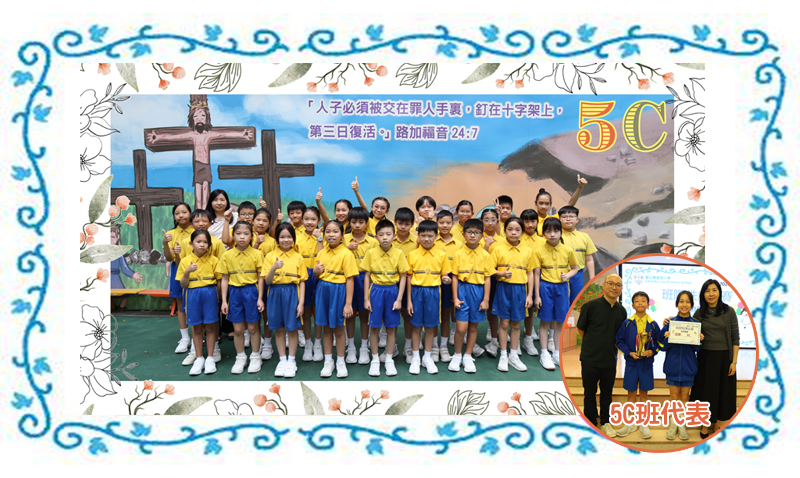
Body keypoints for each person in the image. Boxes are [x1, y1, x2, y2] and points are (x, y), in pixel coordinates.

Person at [686, 279, 739, 438]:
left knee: (722, 392)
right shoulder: (699, 313)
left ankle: (717, 422)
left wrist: (734, 361)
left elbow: (735, 337)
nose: (711, 294)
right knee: (706, 392)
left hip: (725, 358)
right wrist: (670, 323)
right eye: (707, 291)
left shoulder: (729, 311)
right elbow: (688, 329)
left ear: (719, 292)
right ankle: (705, 423)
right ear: (703, 294)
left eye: (714, 290)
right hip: (705, 358)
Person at [576, 274, 628, 437]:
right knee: (589, 393)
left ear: (621, 288)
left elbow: (621, 335)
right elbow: (581, 329)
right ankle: (591, 422)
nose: (614, 287)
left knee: (607, 394)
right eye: (611, 283)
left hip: (610, 359)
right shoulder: (590, 306)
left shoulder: (622, 311)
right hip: (590, 358)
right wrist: (592, 344)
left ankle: (605, 422)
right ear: (604, 285)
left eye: (618, 285)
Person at [176, 209, 225, 367]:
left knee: (211, 325)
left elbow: (220, 279)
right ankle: (198, 356)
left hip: (210, 293)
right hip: (192, 294)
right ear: (192, 244)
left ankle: (211, 355)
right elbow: (182, 284)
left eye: (205, 242)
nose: (202, 245)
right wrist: (187, 272)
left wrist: (220, 297)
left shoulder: (214, 259)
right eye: (198, 242)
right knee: (196, 326)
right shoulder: (186, 261)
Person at [362, 219, 409, 377]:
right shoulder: (370, 253)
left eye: (388, 234)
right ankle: (375, 360)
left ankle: (389, 359)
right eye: (381, 234)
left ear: (394, 236)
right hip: (375, 291)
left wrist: (399, 299)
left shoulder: (399, 253)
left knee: (391, 327)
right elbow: (367, 276)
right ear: (376, 237)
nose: (385, 237)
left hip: (392, 291)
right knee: (374, 327)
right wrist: (366, 299)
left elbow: (403, 276)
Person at [217, 222, 264, 374]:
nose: (242, 237)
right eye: (238, 233)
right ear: (233, 235)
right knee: (238, 329)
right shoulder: (227, 255)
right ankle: (240, 357)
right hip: (234, 293)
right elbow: (224, 279)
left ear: (252, 236)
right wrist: (224, 301)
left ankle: (255, 356)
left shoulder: (257, 254)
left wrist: (260, 298)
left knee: (253, 327)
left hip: (252, 292)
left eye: (246, 233)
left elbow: (261, 277)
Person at [313, 220, 358, 378]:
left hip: (339, 292)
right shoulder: (321, 252)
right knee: (326, 328)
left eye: (335, 231)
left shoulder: (346, 254)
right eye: (328, 231)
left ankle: (340, 361)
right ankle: (328, 361)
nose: (331, 235)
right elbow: (317, 275)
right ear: (324, 234)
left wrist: (348, 304)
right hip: (323, 291)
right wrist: (315, 271)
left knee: (339, 328)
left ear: (342, 234)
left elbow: (350, 279)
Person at [449, 219, 495, 373]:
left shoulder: (486, 255)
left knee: (473, 326)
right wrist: (455, 297)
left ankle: (468, 356)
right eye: (469, 232)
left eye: (476, 232)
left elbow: (488, 278)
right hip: (462, 291)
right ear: (463, 234)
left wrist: (486, 299)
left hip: (478, 292)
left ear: (482, 235)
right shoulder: (458, 254)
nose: (473, 235)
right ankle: (457, 355)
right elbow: (454, 277)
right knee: (461, 328)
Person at [262, 222, 307, 379]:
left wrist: (301, 303)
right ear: (277, 238)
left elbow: (302, 281)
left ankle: (292, 360)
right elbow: (267, 281)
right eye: (282, 237)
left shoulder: (298, 257)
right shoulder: (270, 256)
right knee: (279, 329)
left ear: (293, 238)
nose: (286, 240)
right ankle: (282, 360)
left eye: (289, 237)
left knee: (292, 328)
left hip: (292, 293)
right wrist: (274, 267)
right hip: (274, 293)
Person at [406, 220, 452, 375]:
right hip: (416, 292)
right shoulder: (412, 255)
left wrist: (446, 280)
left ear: (436, 236)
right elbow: (408, 278)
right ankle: (416, 358)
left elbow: (446, 275)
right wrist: (409, 300)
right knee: (416, 326)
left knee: (431, 326)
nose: (426, 239)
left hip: (433, 293)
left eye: (430, 236)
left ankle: (427, 357)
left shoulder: (442, 255)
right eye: (423, 235)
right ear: (418, 236)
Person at [615, 291, 661, 440]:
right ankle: (630, 422)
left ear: (648, 304)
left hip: (646, 365)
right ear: (632, 305)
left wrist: (652, 351)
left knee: (644, 394)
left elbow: (659, 342)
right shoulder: (627, 323)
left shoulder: (653, 324)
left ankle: (643, 423)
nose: (640, 303)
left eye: (643, 301)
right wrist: (629, 353)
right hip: (632, 364)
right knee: (631, 393)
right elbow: (619, 341)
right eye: (637, 301)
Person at [533, 217, 578, 370]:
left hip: (562, 288)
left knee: (560, 322)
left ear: (561, 232)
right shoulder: (538, 251)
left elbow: (575, 269)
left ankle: (557, 353)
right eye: (548, 231)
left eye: (556, 231)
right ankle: (544, 354)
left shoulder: (568, 250)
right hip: (545, 288)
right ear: (543, 233)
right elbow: (536, 274)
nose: (552, 234)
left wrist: (567, 275)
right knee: (545, 322)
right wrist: (537, 296)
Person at [658, 290, 704, 441]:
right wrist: (666, 337)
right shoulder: (669, 323)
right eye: (681, 301)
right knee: (673, 397)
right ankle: (673, 424)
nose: (684, 305)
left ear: (692, 304)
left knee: (684, 397)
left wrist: (699, 339)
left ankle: (681, 424)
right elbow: (662, 347)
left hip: (689, 367)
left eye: (687, 302)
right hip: (672, 366)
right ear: (677, 303)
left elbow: (698, 349)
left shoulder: (696, 324)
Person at [492, 217, 535, 372]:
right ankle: (503, 355)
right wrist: (502, 273)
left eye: (517, 229)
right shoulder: (498, 249)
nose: (513, 232)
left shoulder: (528, 251)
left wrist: (529, 295)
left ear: (522, 232)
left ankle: (514, 355)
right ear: (504, 231)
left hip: (520, 290)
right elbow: (490, 270)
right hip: (503, 288)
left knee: (516, 324)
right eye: (510, 229)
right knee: (504, 323)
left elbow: (530, 273)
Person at [344, 207, 378, 365]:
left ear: (366, 223)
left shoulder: (373, 241)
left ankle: (364, 347)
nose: (357, 225)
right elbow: (336, 255)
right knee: (349, 314)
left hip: (366, 279)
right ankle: (351, 347)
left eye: (361, 222)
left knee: (364, 315)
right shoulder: (344, 239)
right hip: (348, 279)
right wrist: (347, 248)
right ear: (349, 223)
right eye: (353, 222)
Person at [393, 207, 420, 363]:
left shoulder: (416, 241)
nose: (403, 227)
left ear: (412, 224)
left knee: (408, 315)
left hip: (410, 283)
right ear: (395, 222)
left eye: (407, 224)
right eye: (400, 223)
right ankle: (392, 346)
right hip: (392, 283)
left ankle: (408, 347)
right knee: (392, 315)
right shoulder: (389, 239)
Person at [433, 209, 459, 363]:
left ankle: (443, 346)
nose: (444, 225)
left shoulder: (459, 244)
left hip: (449, 283)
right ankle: (433, 345)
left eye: (448, 222)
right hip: (432, 281)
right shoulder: (432, 240)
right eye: (441, 222)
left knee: (446, 314)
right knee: (433, 314)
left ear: (453, 224)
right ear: (436, 223)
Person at [298, 206, 324, 362]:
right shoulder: (296, 236)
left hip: (319, 274)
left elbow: (322, 257)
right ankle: (308, 344)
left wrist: (319, 238)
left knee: (318, 311)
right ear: (302, 220)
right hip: (303, 275)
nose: (309, 222)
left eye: (313, 219)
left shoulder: (324, 235)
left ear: (319, 220)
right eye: (306, 219)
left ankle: (318, 344)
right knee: (306, 312)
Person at [558, 206, 597, 307]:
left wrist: (592, 278)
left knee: (576, 303)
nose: (568, 219)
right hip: (559, 274)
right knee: (561, 303)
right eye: (564, 217)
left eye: (571, 216)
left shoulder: (585, 237)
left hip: (578, 275)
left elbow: (589, 259)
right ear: (559, 219)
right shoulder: (556, 236)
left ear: (577, 219)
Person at [520, 208, 545, 355]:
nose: (530, 224)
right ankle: (513, 341)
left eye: (533, 221)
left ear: (537, 222)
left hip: (536, 279)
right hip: (518, 280)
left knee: (531, 309)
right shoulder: (517, 238)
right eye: (526, 221)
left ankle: (528, 338)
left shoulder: (543, 241)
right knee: (516, 310)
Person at [481, 208, 503, 356]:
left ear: (497, 221)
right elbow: (477, 259)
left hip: (495, 278)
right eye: (486, 220)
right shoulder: (476, 237)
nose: (490, 223)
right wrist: (486, 245)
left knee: (492, 309)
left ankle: (494, 340)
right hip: (476, 278)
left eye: (493, 220)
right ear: (482, 221)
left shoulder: (502, 240)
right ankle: (469, 340)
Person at [110, 225, 144, 309]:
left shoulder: (119, 253)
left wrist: (133, 274)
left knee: (124, 295)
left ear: (117, 238)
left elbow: (125, 268)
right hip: (105, 277)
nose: (109, 240)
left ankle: (121, 308)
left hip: (115, 278)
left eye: (112, 237)